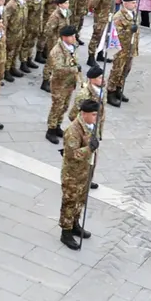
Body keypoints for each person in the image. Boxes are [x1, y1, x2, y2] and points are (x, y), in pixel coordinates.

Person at [60, 98, 100, 250]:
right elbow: (72, 154)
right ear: (84, 114)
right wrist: (89, 148)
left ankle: (75, 224)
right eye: (94, 115)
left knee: (80, 199)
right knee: (70, 201)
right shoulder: (73, 131)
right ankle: (66, 231)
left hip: (85, 170)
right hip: (72, 173)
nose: (96, 118)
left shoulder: (90, 125)